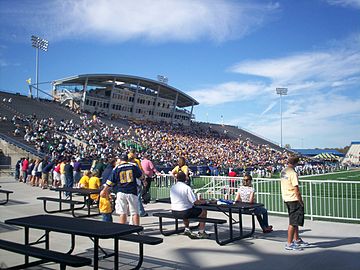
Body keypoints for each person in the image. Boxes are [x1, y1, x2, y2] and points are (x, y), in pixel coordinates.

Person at [100, 153, 142, 225]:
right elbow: (141, 176)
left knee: (122, 212)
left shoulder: (117, 168)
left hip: (121, 191)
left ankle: (122, 229)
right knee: (135, 212)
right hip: (132, 190)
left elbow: (110, 181)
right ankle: (137, 229)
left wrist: (104, 190)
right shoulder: (133, 166)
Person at [280, 156, 309, 251]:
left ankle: (296, 239)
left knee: (295, 221)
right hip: (293, 199)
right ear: (296, 163)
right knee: (293, 222)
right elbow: (296, 189)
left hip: (286, 197)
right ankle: (289, 243)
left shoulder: (284, 171)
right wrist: (301, 201)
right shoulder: (293, 173)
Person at [170, 171, 210, 239]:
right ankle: (201, 232)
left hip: (174, 211)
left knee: (185, 209)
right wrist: (204, 201)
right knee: (203, 211)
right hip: (185, 212)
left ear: (176, 178)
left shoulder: (173, 187)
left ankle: (187, 229)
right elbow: (195, 202)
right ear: (185, 178)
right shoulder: (187, 187)